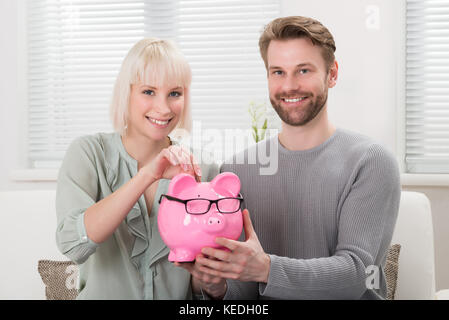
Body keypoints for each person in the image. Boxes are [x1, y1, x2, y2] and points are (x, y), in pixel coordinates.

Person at [180, 16, 401, 299]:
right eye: (278, 72)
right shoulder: (237, 171)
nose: (289, 86)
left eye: (304, 70)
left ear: (332, 74)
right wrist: (215, 287)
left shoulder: (370, 162)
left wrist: (266, 269)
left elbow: (357, 275)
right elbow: (243, 291)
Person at [55, 38, 218, 299]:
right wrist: (147, 175)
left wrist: (211, 281)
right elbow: (73, 244)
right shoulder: (88, 153)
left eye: (174, 93)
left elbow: (206, 287)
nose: (163, 108)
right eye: (148, 91)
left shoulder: (205, 168)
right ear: (126, 93)